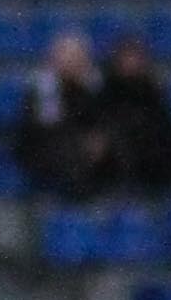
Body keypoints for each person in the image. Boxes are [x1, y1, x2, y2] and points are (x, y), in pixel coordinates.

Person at [13, 30, 113, 201]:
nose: (70, 63)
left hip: (82, 150)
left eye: (75, 58)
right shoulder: (42, 89)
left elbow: (100, 120)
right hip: (45, 149)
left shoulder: (95, 88)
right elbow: (46, 126)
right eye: (66, 58)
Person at [89, 34, 171, 196]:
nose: (131, 63)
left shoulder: (153, 92)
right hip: (116, 156)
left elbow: (165, 123)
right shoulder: (105, 91)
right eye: (127, 57)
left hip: (149, 156)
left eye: (135, 58)